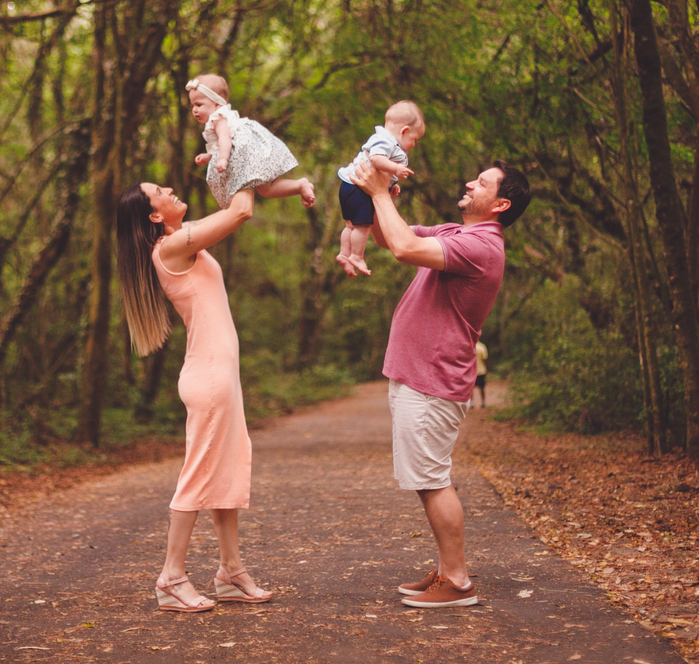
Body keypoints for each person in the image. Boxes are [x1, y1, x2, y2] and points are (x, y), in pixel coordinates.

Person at [351, 157, 531, 608]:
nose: (470, 182)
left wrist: (377, 194)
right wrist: (379, 196)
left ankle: (457, 580)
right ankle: (446, 568)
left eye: (482, 182)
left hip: (433, 379)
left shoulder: (484, 248)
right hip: (418, 375)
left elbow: (404, 250)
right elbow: (390, 235)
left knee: (432, 478)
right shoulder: (457, 232)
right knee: (426, 477)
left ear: (500, 203)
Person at [116, 182, 273, 613]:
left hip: (220, 376)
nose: (171, 188)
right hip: (208, 379)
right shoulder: (171, 248)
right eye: (160, 191)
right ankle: (171, 577)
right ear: (154, 216)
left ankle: (231, 572)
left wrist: (220, 155)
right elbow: (241, 210)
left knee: (225, 471)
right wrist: (236, 139)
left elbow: (231, 207)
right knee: (198, 476)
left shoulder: (184, 242)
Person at [187, 74, 316, 210]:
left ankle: (235, 213)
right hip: (254, 145)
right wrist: (209, 157)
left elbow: (225, 138)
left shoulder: (217, 118)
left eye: (199, 104)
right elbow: (222, 146)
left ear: (217, 104)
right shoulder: (220, 116)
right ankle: (299, 185)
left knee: (243, 188)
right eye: (192, 106)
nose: (194, 110)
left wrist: (223, 159)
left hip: (247, 148)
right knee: (266, 189)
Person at [334, 101, 426, 277]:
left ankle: (344, 254)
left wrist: (392, 184)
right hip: (358, 187)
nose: (414, 144)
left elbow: (380, 171)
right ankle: (356, 256)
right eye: (415, 139)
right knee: (363, 226)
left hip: (349, 185)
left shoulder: (385, 141)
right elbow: (376, 160)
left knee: (350, 225)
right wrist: (396, 169)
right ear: (404, 131)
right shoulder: (385, 141)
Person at [473, 340, 488, 408]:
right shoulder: (481, 347)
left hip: (471, 372)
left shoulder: (470, 346)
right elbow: (484, 358)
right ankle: (483, 402)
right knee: (482, 388)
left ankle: (471, 402)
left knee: (470, 389)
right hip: (481, 370)